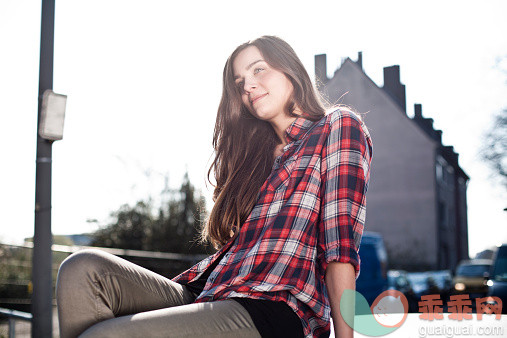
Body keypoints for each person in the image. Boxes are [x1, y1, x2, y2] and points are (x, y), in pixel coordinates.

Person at [56, 35, 373, 338]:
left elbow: (340, 251)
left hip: (274, 308)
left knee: (104, 335)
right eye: (239, 83)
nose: (248, 86)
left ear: (289, 68)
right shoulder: (254, 160)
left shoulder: (337, 125)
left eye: (258, 69)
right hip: (210, 291)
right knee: (81, 270)